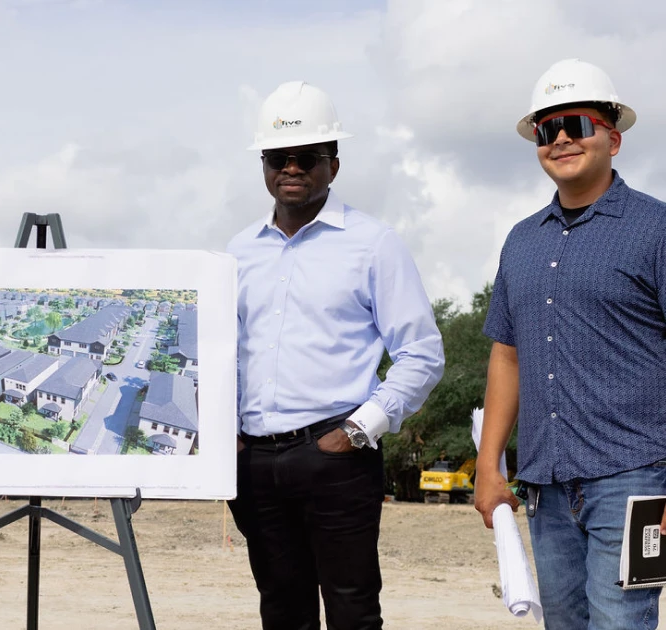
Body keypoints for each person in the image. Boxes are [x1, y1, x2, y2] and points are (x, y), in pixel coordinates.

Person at [226, 81, 444, 629]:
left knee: (352, 609)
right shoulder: (237, 252)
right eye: (279, 157)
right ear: (264, 164)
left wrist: (358, 430)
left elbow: (421, 352)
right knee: (281, 609)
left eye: (308, 158)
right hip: (253, 463)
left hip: (336, 456)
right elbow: (221, 352)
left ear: (334, 165)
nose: (292, 168)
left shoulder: (374, 243)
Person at [477, 58, 666, 629]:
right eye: (546, 128)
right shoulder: (520, 241)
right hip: (546, 488)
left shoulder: (655, 229)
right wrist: (489, 464)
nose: (560, 138)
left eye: (577, 124)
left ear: (613, 137)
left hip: (636, 481)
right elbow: (506, 354)